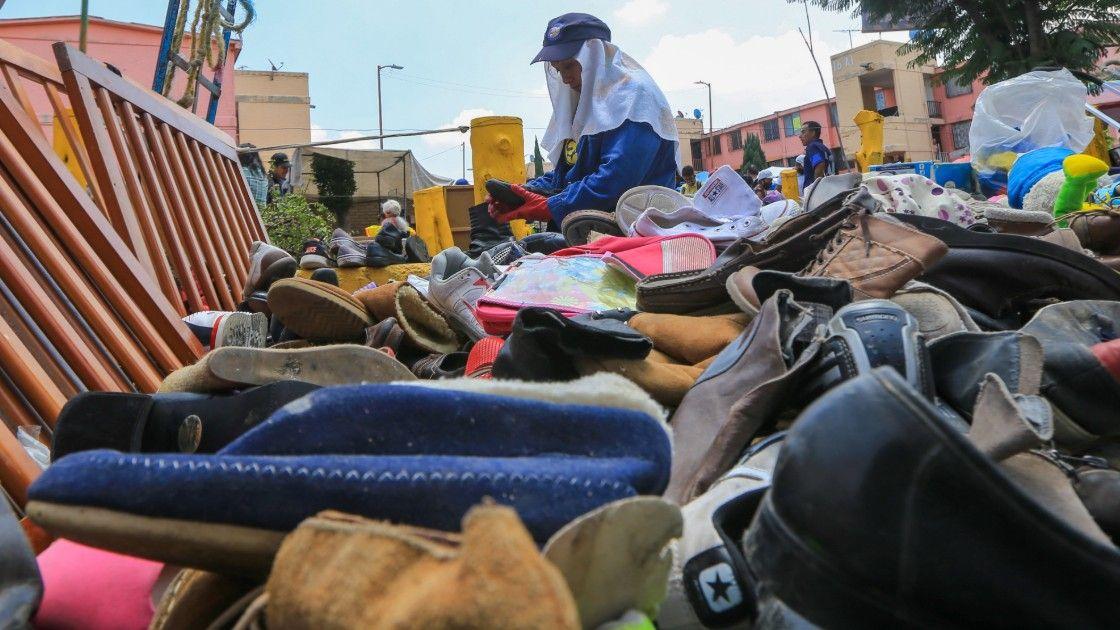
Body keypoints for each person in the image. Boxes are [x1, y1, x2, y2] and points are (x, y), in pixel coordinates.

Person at [486, 13, 679, 226]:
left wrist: (551, 206)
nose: (564, 79)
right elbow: (567, 176)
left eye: (569, 66)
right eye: (558, 70)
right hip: (592, 228)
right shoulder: (583, 111)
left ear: (594, 57)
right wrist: (523, 192)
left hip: (640, 229)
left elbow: (616, 180)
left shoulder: (635, 100)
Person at [799, 121, 831, 189]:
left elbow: (819, 164)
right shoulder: (823, 147)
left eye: (803, 132)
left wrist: (815, 189)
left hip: (818, 194)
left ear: (813, 133)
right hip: (829, 187)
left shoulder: (812, 147)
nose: (800, 136)